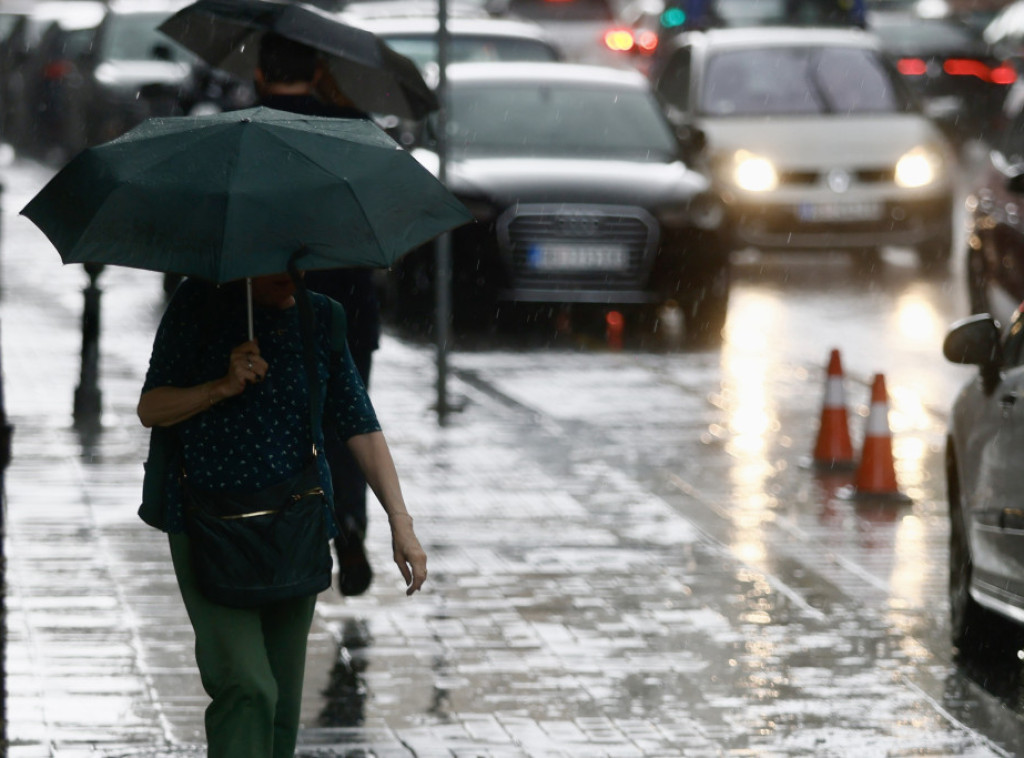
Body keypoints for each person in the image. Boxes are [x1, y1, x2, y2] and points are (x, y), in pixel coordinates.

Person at [137, 272, 426, 758]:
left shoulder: (322, 316)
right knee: (248, 687)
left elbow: (360, 423)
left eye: (297, 260)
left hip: (295, 526)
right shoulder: (198, 304)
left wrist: (402, 523)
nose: (289, 275)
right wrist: (222, 386)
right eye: (275, 262)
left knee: (282, 708)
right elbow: (151, 407)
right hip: (208, 526)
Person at [256, 32, 382, 597]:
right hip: (349, 307)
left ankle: (294, 531)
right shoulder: (349, 129)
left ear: (260, 73)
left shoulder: (248, 131)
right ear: (317, 69)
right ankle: (349, 522)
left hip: (276, 302)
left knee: (281, 426)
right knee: (347, 424)